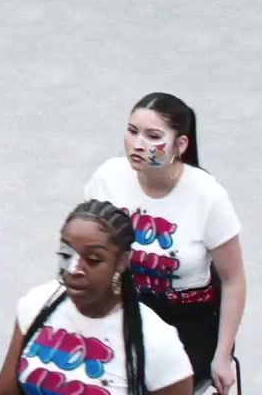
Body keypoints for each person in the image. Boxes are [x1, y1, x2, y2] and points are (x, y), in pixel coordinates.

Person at [84, 93, 246, 393]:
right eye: (132, 131)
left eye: (153, 136)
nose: (138, 144)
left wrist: (223, 356)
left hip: (187, 320)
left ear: (180, 145)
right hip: (125, 308)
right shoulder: (108, 178)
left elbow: (233, 279)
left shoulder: (207, 196)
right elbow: (84, 253)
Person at [0, 200, 194, 395]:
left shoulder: (156, 342)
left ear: (121, 262)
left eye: (93, 259)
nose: (74, 269)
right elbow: (4, 391)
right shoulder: (37, 303)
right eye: (66, 255)